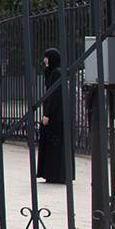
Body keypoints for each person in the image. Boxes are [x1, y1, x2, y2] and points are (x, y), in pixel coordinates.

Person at [37, 47, 75, 183]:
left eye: (47, 57)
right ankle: (54, 174)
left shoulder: (57, 73)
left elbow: (55, 96)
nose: (45, 60)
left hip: (56, 115)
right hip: (58, 115)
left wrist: (48, 114)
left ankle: (55, 174)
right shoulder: (55, 72)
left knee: (55, 146)